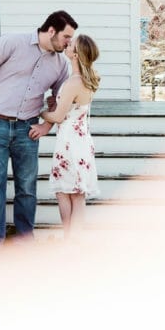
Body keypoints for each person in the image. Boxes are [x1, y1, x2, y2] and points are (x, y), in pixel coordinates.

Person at [0, 10, 78, 246]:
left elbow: (58, 101)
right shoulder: (11, 43)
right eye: (66, 37)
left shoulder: (60, 65)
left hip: (27, 131)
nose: (69, 43)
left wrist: (46, 126)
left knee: (27, 187)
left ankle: (24, 242)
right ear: (51, 30)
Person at [30, 32, 100, 238]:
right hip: (81, 141)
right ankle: (73, 241)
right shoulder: (85, 80)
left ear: (76, 55)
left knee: (64, 192)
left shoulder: (73, 83)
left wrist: (39, 110)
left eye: (72, 45)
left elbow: (59, 116)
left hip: (69, 142)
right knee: (77, 194)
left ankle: (69, 239)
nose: (68, 45)